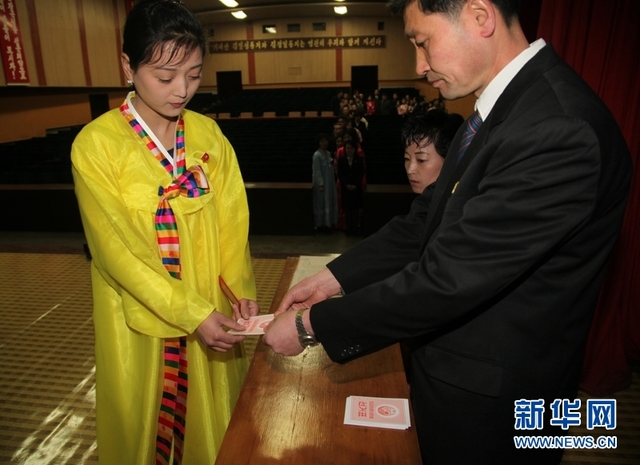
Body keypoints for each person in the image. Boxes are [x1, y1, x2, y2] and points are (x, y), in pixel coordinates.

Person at [264, 0, 632, 463]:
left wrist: (311, 326)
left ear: (480, 16)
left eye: (422, 42)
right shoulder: (502, 110)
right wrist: (334, 277)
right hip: (461, 381)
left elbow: (447, 279)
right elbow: (428, 219)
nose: (419, 66)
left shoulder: (556, 128)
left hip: (499, 407)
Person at [71, 1, 259, 463]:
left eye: (194, 75)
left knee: (212, 426)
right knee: (142, 421)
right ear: (127, 67)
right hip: (138, 318)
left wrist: (238, 291)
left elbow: (233, 222)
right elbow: (117, 253)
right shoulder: (95, 146)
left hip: (210, 313)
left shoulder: (209, 136)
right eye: (165, 76)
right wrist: (190, 312)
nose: (182, 91)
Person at [337, 140, 365, 235]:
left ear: (355, 149)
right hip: (346, 188)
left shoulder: (359, 159)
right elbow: (340, 174)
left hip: (356, 188)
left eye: (351, 148)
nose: (349, 150)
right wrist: (346, 185)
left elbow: (361, 173)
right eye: (347, 148)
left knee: (355, 210)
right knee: (347, 210)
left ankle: (355, 229)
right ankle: (348, 229)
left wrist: (355, 185)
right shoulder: (341, 159)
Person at [312, 133, 338, 233]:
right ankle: (320, 224)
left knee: (329, 201)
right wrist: (320, 184)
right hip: (322, 184)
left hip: (329, 181)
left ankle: (328, 223)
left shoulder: (328, 153)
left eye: (326, 141)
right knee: (321, 203)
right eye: (322, 141)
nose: (324, 143)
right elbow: (317, 171)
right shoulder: (317, 155)